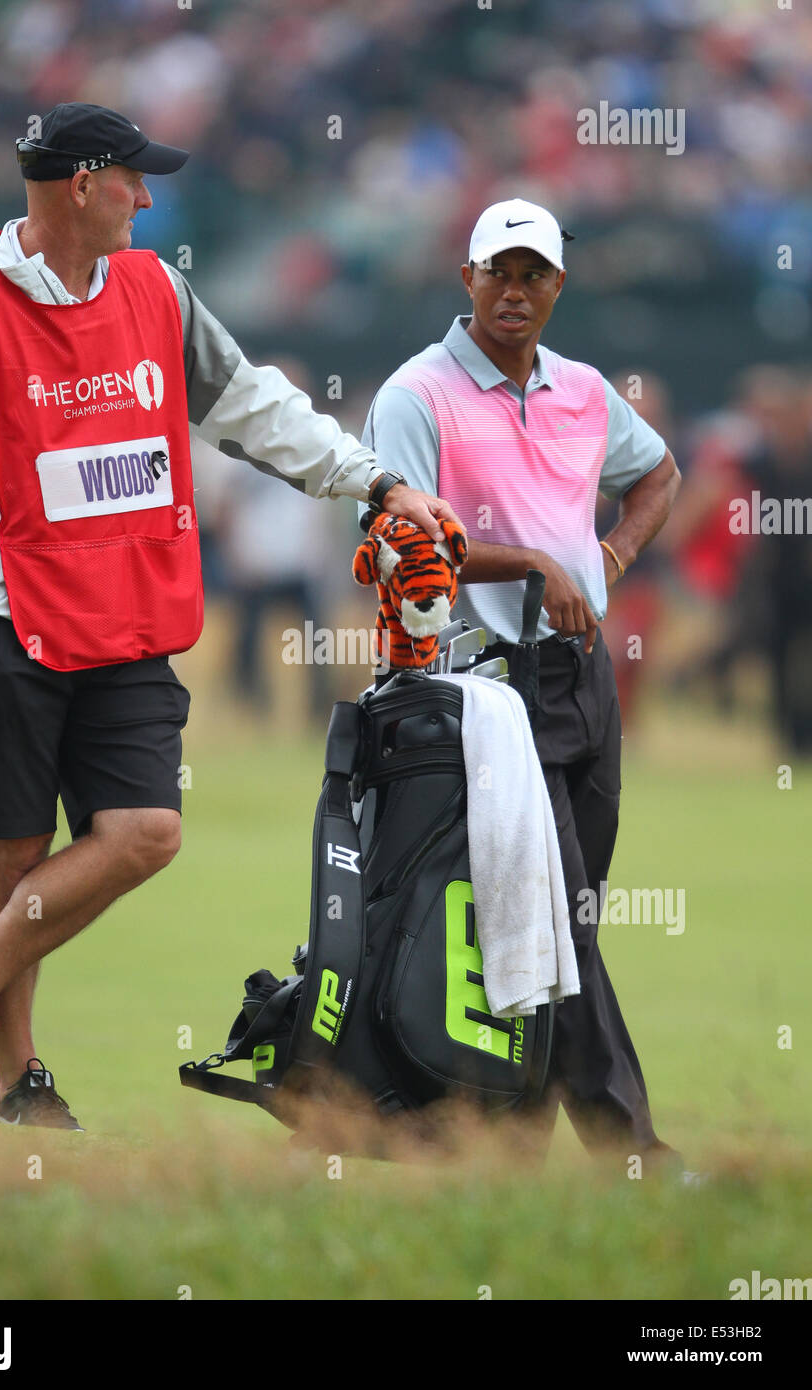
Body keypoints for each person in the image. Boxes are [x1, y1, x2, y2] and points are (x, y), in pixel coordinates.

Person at [0, 102, 456, 1130]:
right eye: (134, 180)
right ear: (81, 185)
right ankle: (18, 1081)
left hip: (133, 615)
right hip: (13, 621)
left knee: (145, 830)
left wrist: (371, 481)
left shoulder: (158, 288)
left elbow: (254, 410)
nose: (149, 198)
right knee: (12, 855)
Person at [361, 198, 684, 1171]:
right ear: (466, 279)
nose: (515, 289)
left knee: (560, 923)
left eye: (533, 273)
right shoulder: (416, 394)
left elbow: (660, 471)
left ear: (557, 284)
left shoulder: (585, 389)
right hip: (484, 689)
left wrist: (609, 555)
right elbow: (399, 539)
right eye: (497, 271)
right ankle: (632, 1154)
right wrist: (537, 566)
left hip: (582, 679)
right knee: (553, 920)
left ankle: (503, 1148)